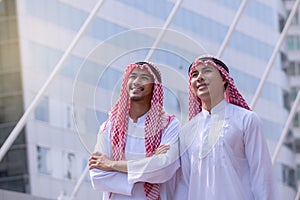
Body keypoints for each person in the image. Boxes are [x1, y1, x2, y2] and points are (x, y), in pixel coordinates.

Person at [175, 55, 279, 199]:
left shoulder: (246, 120)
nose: (199, 77)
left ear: (224, 78)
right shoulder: (187, 132)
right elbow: (183, 185)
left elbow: (262, 176)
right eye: (194, 74)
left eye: (206, 71)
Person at [88, 61, 180, 200]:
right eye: (133, 76)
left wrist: (112, 165)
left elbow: (164, 169)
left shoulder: (168, 125)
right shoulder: (109, 127)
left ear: (155, 86)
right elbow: (97, 174)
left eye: (144, 77)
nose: (136, 81)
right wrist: (150, 162)